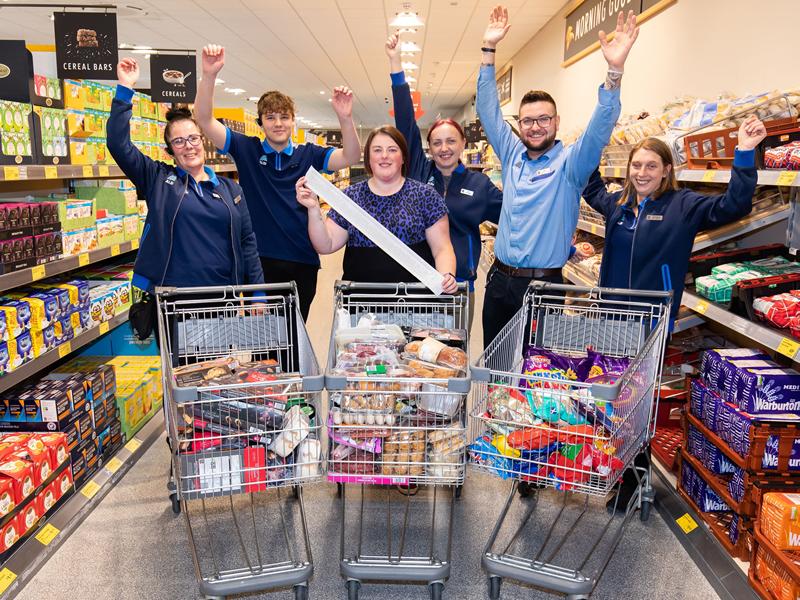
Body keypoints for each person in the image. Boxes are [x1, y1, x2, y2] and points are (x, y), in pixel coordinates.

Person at [477, 6, 639, 348]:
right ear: (519, 125)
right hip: (499, 282)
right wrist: (489, 51)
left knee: (535, 371)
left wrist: (614, 71)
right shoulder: (511, 155)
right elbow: (488, 111)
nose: (535, 126)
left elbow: (599, 129)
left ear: (556, 122)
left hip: (543, 289)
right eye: (527, 121)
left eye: (543, 119)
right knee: (494, 364)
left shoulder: (571, 164)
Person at [194, 45, 361, 321]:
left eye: (284, 117)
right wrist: (208, 75)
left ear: (293, 121)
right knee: (262, 343)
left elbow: (352, 155)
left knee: (296, 338)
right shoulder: (247, 150)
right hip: (258, 262)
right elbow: (204, 119)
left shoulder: (310, 155)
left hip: (302, 261)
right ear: (261, 123)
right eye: (270, 117)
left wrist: (345, 118)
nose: (278, 123)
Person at [107, 58, 264, 303]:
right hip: (173, 301)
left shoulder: (231, 189)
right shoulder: (158, 180)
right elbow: (118, 145)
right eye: (179, 141)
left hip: (222, 298)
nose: (188, 146)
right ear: (169, 150)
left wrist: (257, 294)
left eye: (193, 138)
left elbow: (247, 243)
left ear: (203, 141)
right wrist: (125, 89)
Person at [582, 115, 767, 324]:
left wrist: (744, 151)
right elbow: (592, 190)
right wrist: (588, 149)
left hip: (653, 320)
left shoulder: (683, 205)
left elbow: (734, 205)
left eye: (651, 166)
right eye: (636, 165)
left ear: (666, 171)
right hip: (610, 314)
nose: (642, 173)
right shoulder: (618, 203)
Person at [384, 34, 503, 327]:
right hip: (416, 283)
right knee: (413, 357)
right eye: (437, 143)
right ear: (429, 147)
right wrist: (396, 66)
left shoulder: (480, 186)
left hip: (460, 286)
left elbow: (515, 218)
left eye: (451, 141)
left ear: (463, 143)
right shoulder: (419, 174)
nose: (444, 148)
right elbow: (405, 122)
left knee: (454, 358)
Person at [295, 126, 458, 294]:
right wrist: (313, 209)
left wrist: (446, 275)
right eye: (377, 150)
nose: (384, 156)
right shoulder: (350, 197)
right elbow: (326, 245)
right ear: (369, 158)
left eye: (392, 149)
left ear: (403, 157)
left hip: (415, 305)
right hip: (361, 306)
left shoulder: (425, 196)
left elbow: (442, 248)